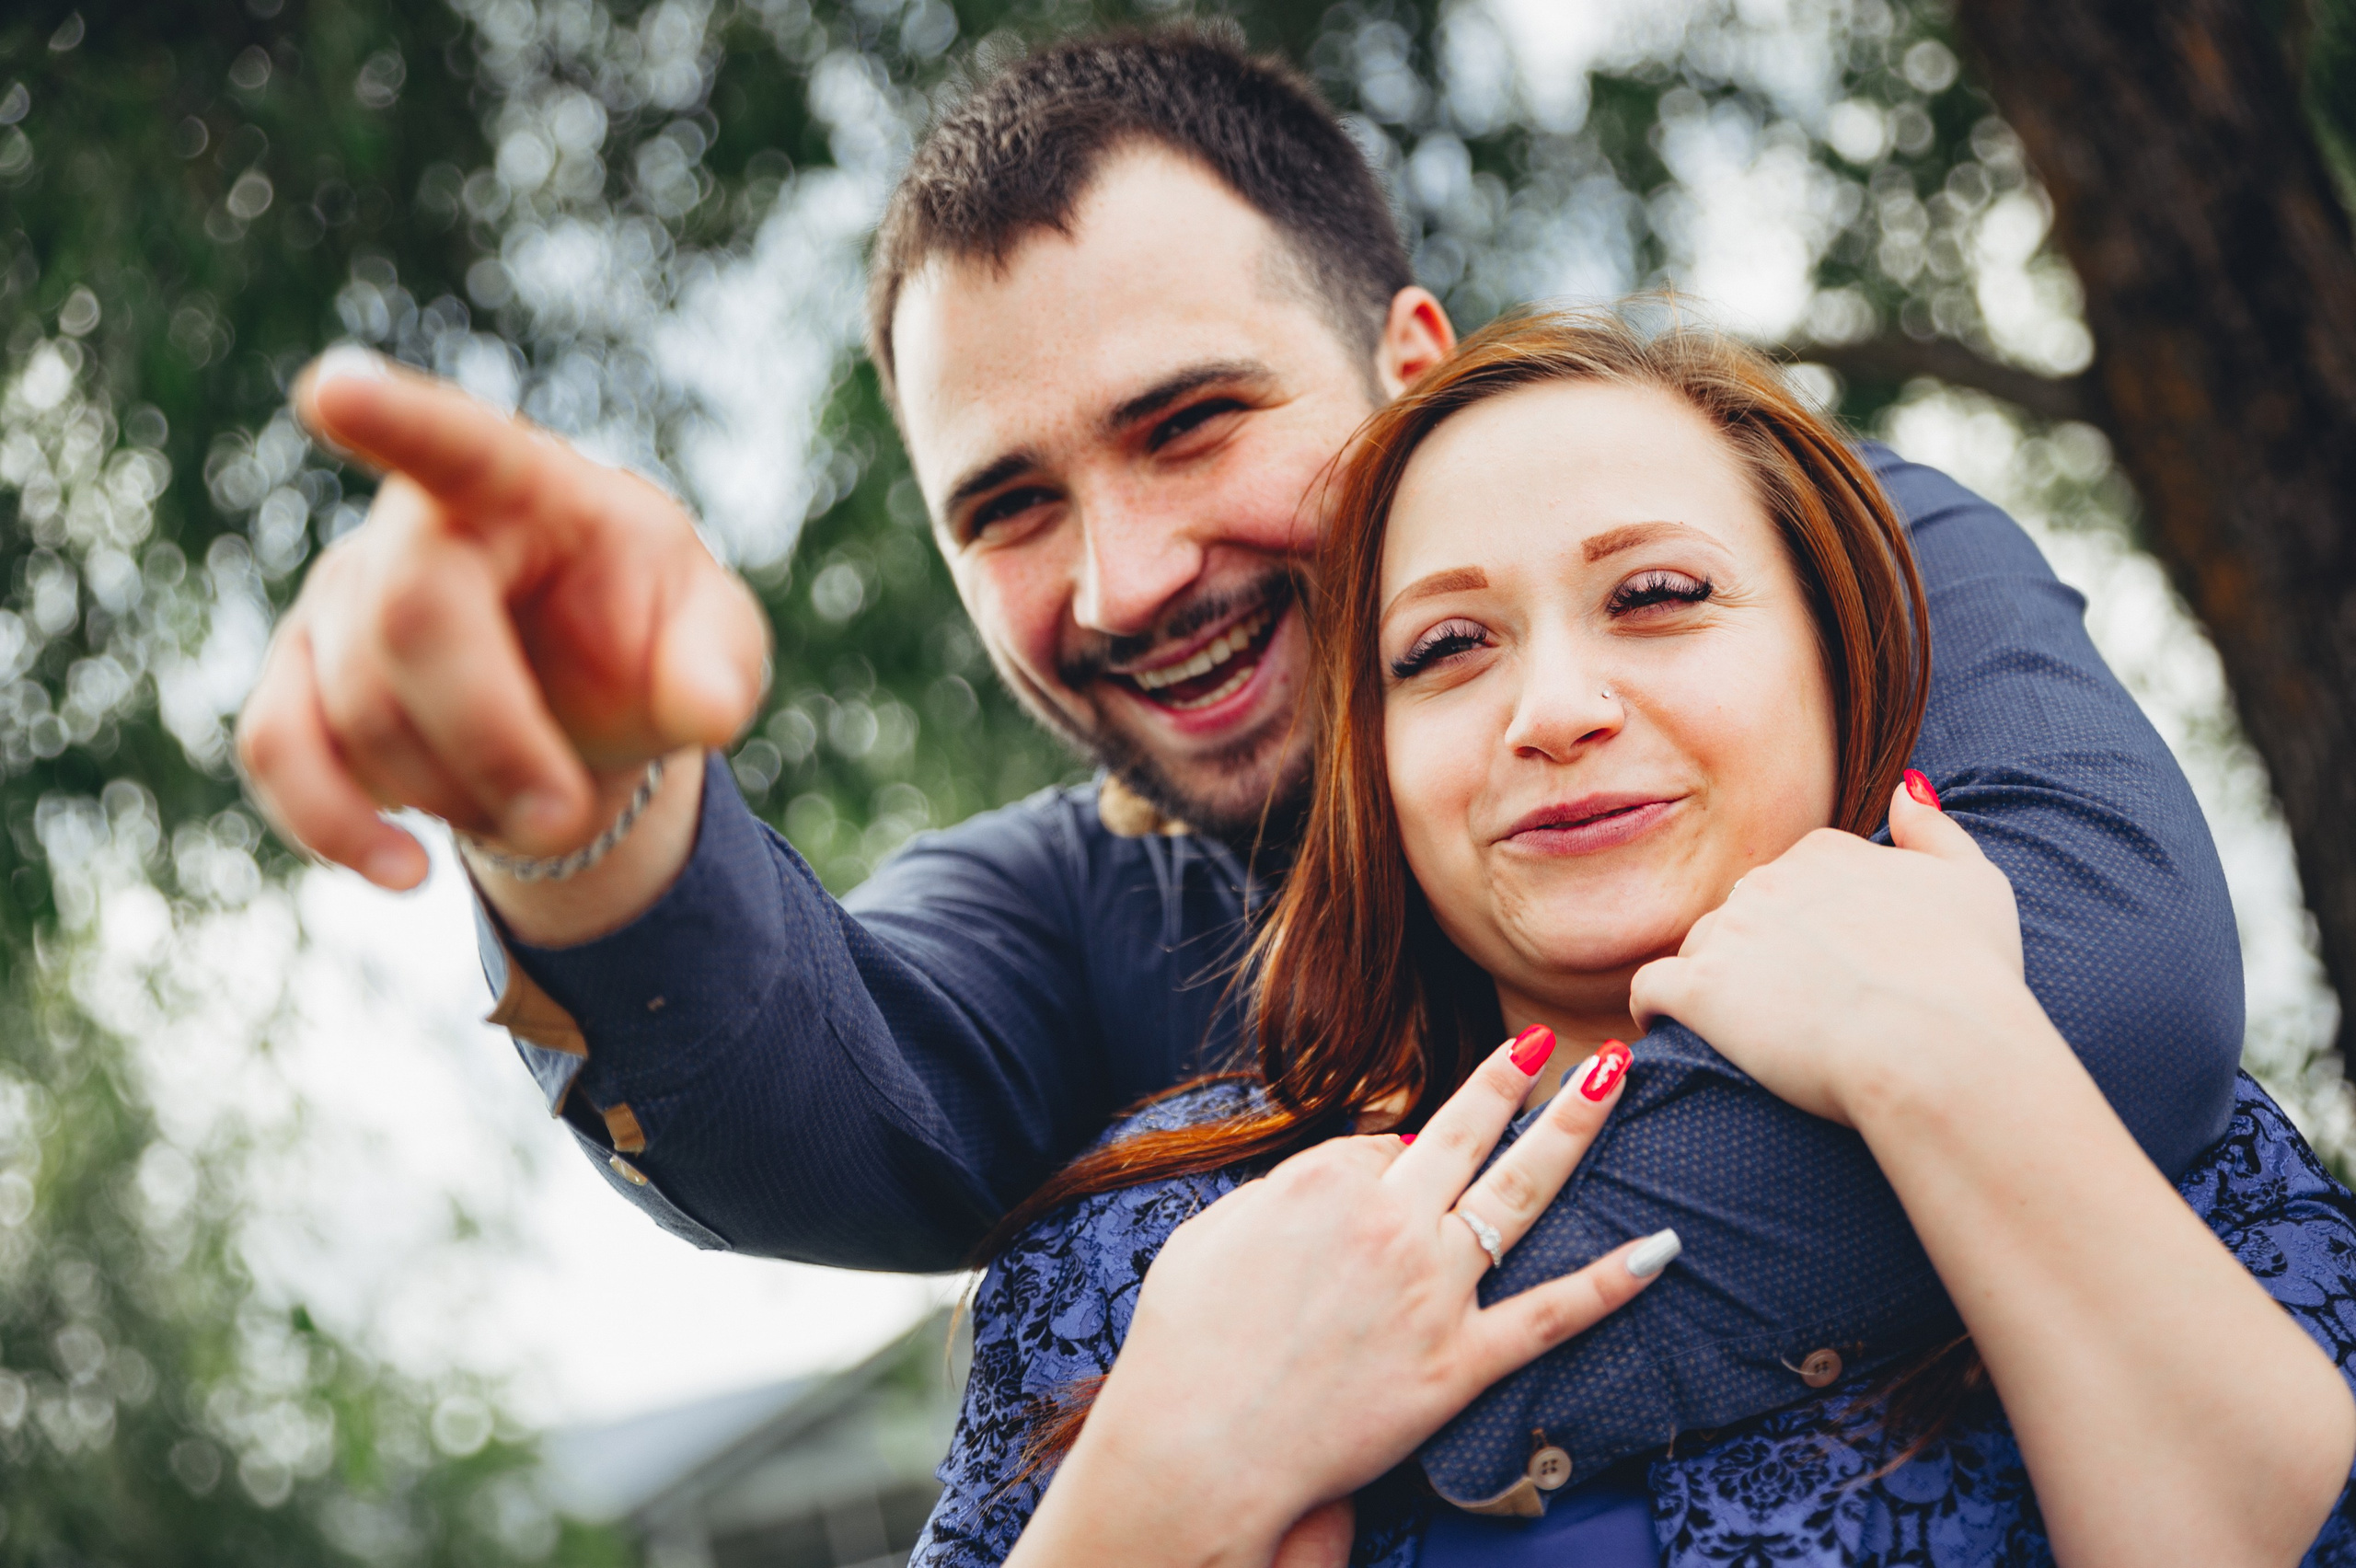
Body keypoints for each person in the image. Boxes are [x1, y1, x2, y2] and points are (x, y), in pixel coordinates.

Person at [236, 28, 2246, 1501]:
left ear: (1408, 364)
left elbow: (2105, 981)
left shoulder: (1796, 562)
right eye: (1007, 507)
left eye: (1191, 422)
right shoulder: (1088, 891)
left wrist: (1333, 1374)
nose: (1126, 579)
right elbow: (811, 1113)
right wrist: (576, 802)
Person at [919, 309, 2356, 1568]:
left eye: (1656, 597)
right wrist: (1159, 1482)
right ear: (1376, 775)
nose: (1553, 709)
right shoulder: (1139, 1258)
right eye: (1445, 649)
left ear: (1840, 665)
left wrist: (1947, 1057)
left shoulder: (2165, 1142)